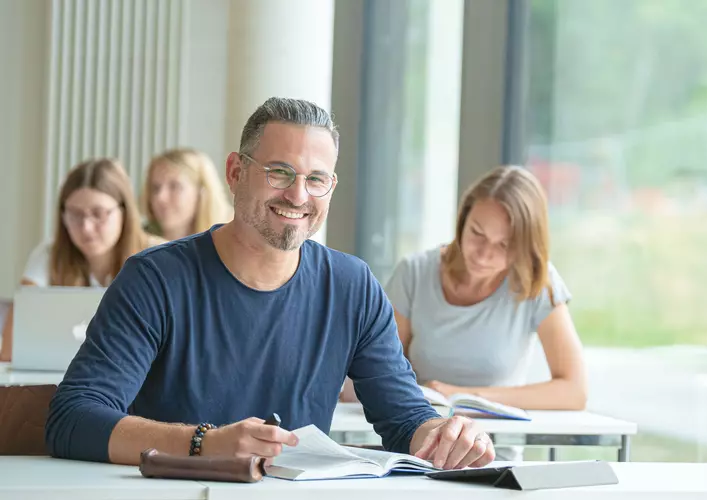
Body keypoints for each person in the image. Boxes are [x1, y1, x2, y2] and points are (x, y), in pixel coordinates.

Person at [45, 97, 495, 471]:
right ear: (236, 172)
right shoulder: (156, 279)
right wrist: (206, 443)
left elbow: (404, 419)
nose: (298, 196)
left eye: (316, 179)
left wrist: (444, 434)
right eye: (279, 172)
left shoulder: (352, 286)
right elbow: (73, 419)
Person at [343, 166, 586, 460]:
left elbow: (573, 390)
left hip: (492, 457)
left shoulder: (537, 282)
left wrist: (468, 396)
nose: (483, 254)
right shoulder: (415, 273)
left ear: (525, 246)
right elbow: (378, 370)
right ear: (462, 221)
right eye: (476, 234)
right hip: (415, 449)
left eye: (504, 245)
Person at [0, 158, 163, 362]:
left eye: (99, 214)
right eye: (75, 214)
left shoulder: (159, 255)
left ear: (124, 212)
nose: (86, 227)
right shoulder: (49, 255)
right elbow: (10, 348)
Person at [142, 148, 234, 241]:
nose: (160, 197)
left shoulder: (230, 242)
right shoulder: (138, 244)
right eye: (155, 188)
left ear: (201, 192)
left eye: (174, 186)